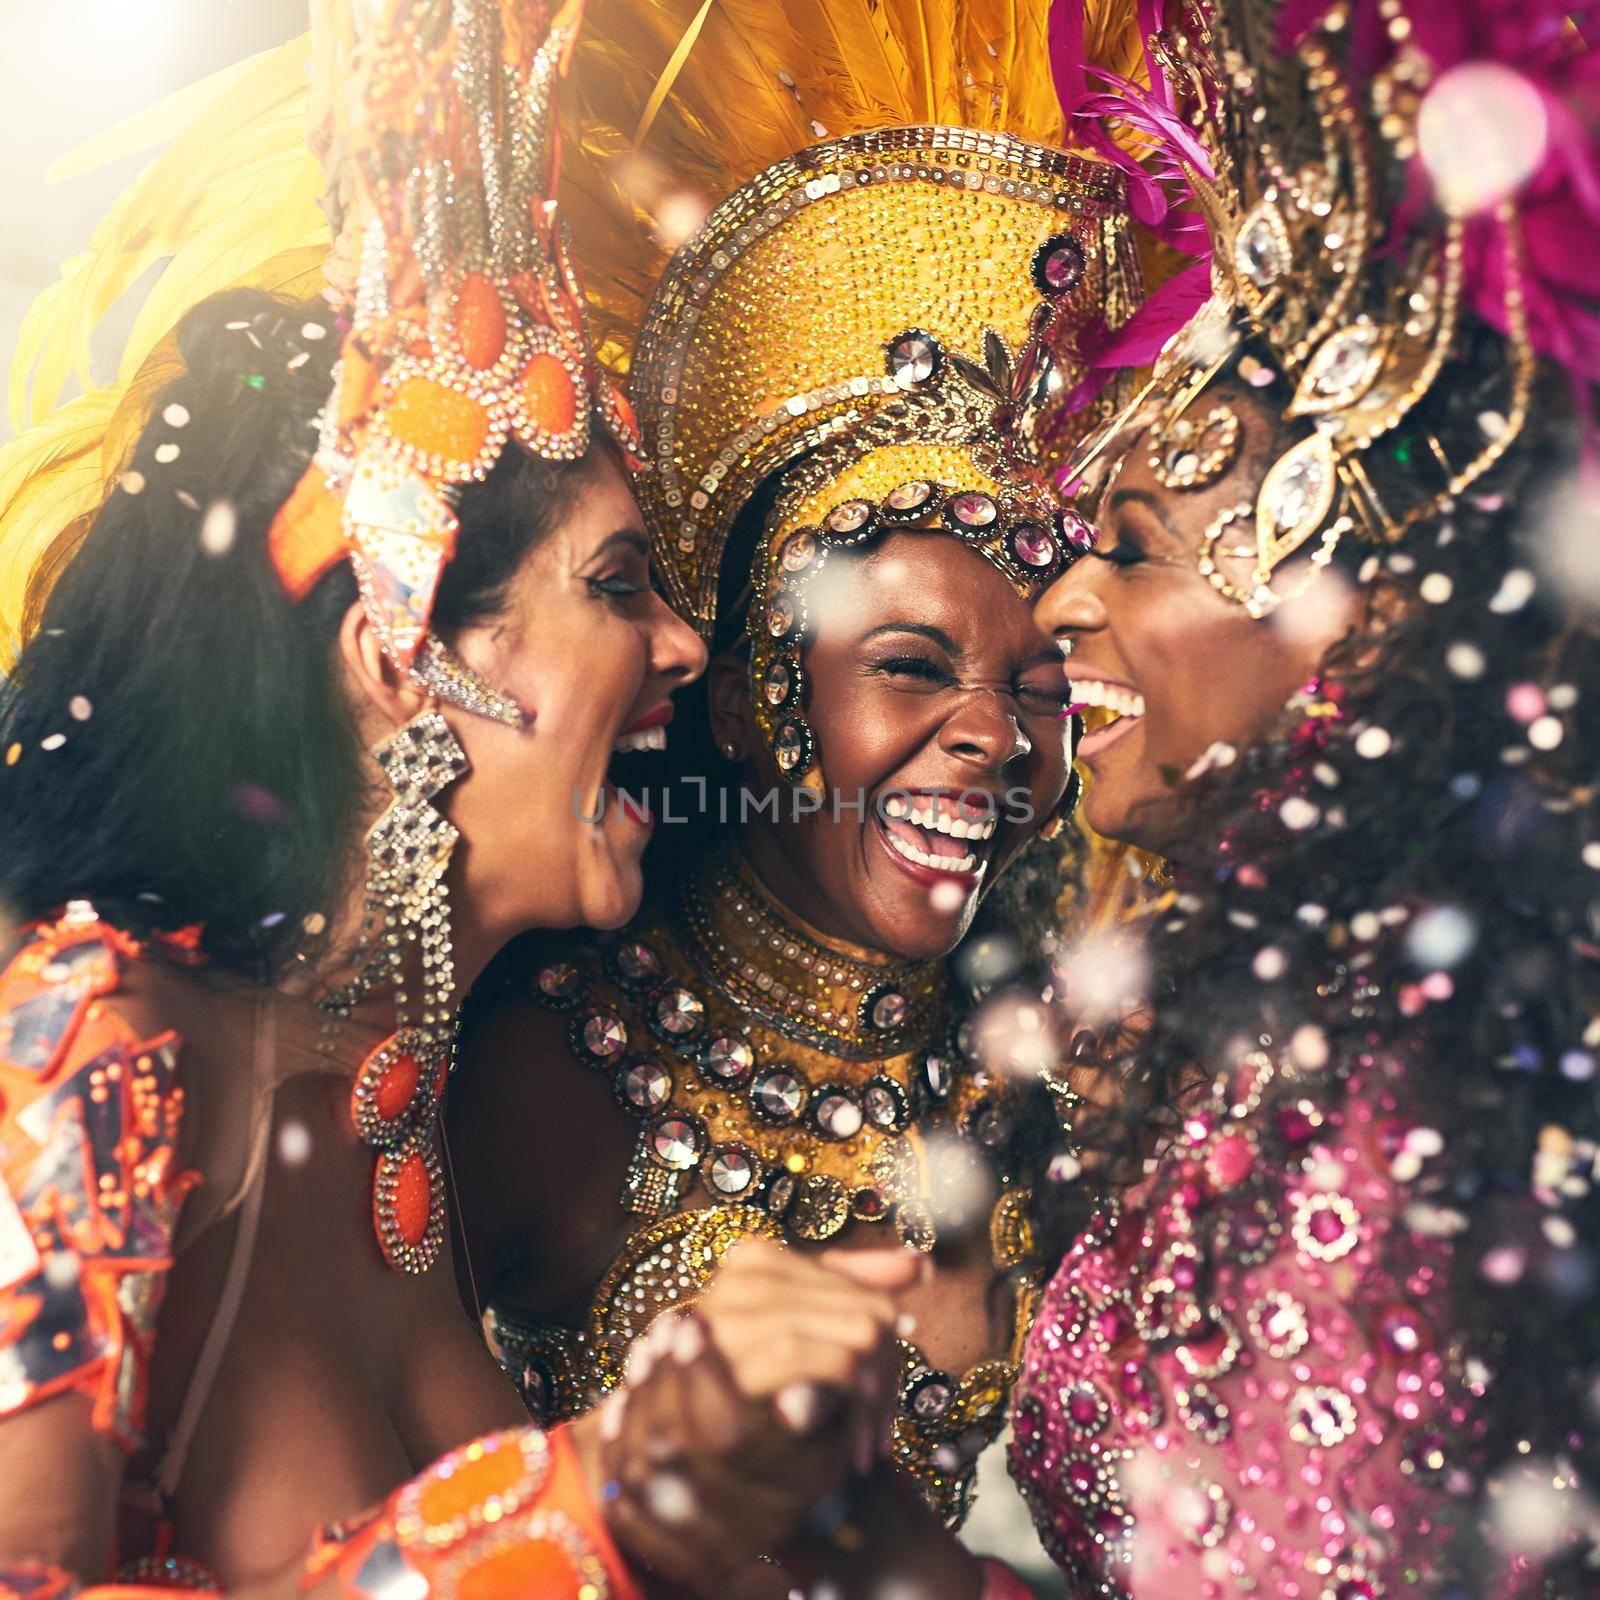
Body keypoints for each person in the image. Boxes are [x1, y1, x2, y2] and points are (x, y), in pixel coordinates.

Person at [0, 3, 925, 1596]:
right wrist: (594, 1510)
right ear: (398, 652)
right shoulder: (92, 1037)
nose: (687, 648)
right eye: (621, 584)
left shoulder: (412, 1120)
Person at [446, 4, 1142, 1589]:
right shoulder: (535, 1078)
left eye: (1036, 685)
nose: (992, 738)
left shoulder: (1062, 1088)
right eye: (909, 666)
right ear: (762, 689)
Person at [1003, 1, 1600, 1596]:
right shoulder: (1309, 1001)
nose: (1062, 605)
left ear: (1364, 623)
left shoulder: (1397, 1087)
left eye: (1129, 543)